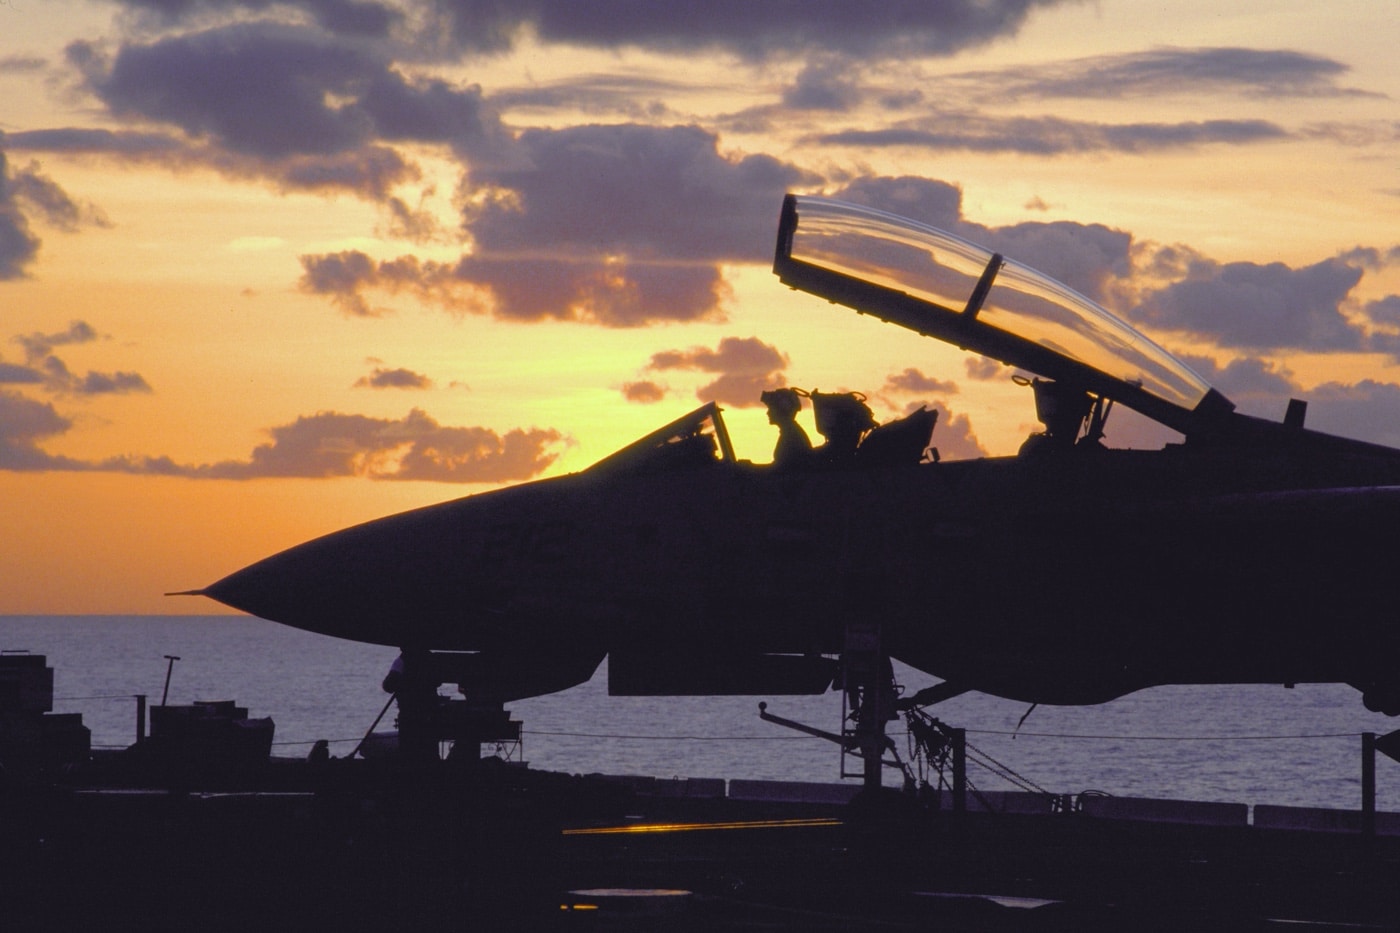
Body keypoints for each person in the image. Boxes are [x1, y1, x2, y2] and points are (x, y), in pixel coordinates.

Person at [761, 387, 812, 468]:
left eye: (771, 408)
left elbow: (780, 469)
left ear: (781, 410)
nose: (768, 412)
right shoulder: (791, 431)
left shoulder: (790, 435)